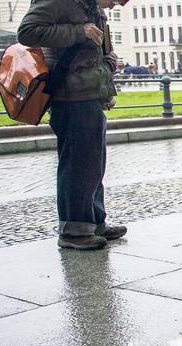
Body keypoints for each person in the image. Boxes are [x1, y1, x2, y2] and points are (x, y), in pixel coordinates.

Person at [18, 0, 127, 250]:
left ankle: (93, 221)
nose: (114, 6)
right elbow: (27, 32)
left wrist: (104, 81)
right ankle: (73, 231)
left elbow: (103, 52)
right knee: (77, 164)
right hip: (69, 95)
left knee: (93, 163)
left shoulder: (94, 8)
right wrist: (79, 32)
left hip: (89, 94)